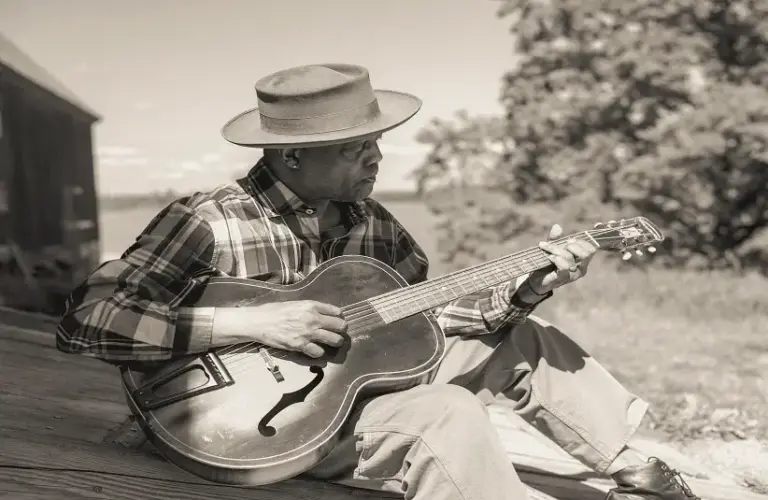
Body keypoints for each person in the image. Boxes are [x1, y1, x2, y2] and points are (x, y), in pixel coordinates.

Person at [56, 63, 699, 500]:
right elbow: (85, 323)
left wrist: (529, 283)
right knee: (446, 412)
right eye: (355, 147)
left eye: (376, 142)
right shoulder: (207, 220)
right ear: (291, 155)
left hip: (358, 391)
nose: (377, 158)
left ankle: (635, 473)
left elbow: (432, 324)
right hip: (258, 424)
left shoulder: (375, 224)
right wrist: (249, 322)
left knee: (527, 335)